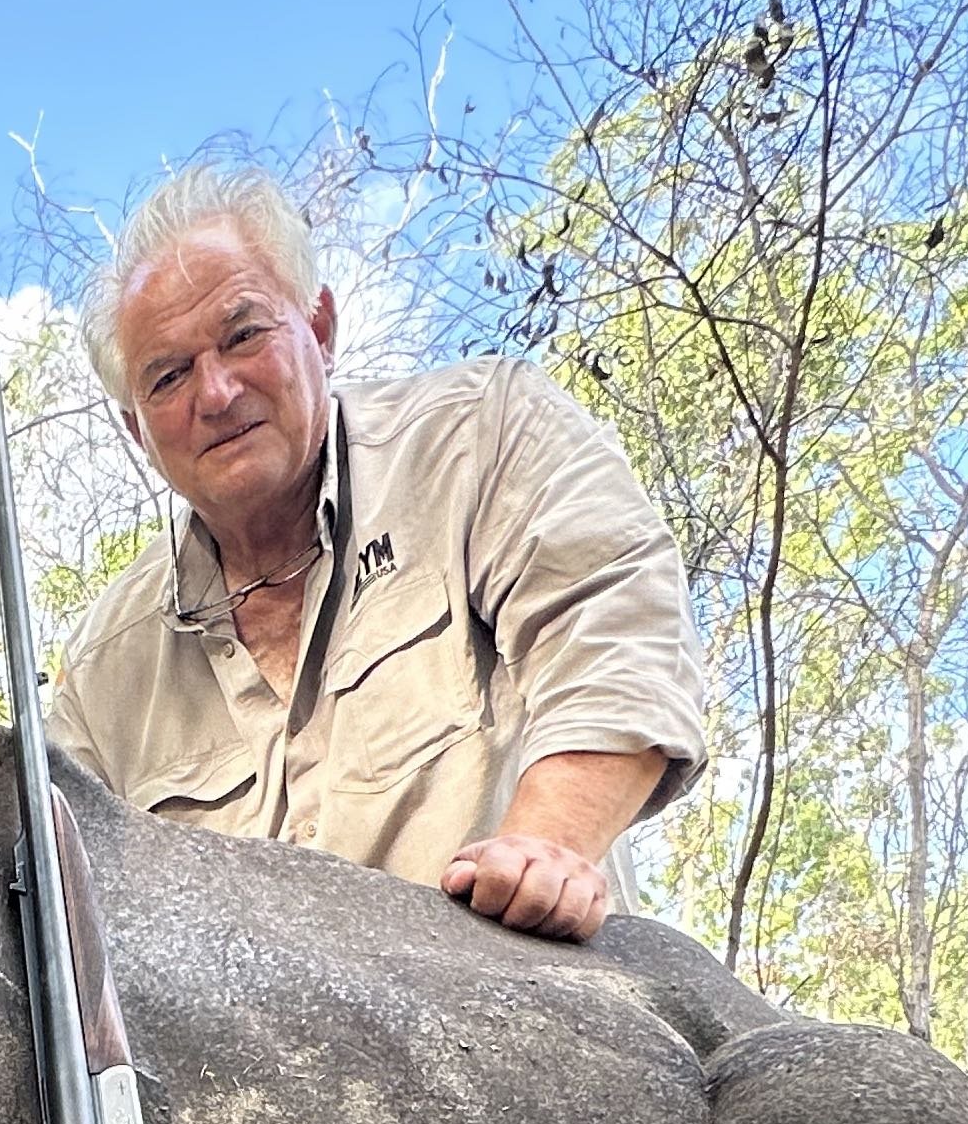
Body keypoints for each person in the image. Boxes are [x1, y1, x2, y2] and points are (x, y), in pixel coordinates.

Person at [48, 164, 712, 942]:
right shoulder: (103, 673)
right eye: (168, 377)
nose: (217, 393)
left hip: (533, 1018)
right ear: (138, 429)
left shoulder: (481, 437)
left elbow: (617, 628)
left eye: (243, 335)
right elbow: (60, 909)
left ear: (320, 328)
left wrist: (546, 849)